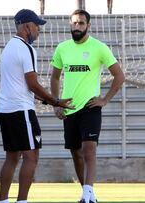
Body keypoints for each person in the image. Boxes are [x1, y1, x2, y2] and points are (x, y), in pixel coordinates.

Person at [0, 9, 74, 203]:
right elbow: (32, 84)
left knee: (11, 158)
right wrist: (56, 101)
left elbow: (22, 86)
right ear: (26, 27)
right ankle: (22, 201)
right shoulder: (26, 48)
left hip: (5, 109)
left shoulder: (8, 48)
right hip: (21, 110)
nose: (39, 30)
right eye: (36, 26)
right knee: (32, 157)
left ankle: (3, 200)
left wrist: (46, 99)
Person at [50, 9, 125, 203]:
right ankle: (87, 191)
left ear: (88, 26)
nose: (77, 26)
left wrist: (104, 100)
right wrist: (55, 102)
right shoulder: (62, 48)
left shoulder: (99, 47)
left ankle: (88, 193)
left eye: (81, 23)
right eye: (74, 23)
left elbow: (119, 76)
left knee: (89, 149)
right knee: (76, 153)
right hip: (69, 108)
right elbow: (55, 77)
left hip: (91, 107)